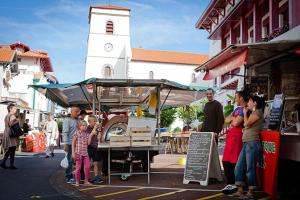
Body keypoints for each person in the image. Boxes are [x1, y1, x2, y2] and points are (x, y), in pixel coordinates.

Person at [233, 95, 265, 199]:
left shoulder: (257, 112)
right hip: (247, 142)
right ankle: (240, 190)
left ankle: (251, 191)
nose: (248, 103)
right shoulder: (254, 113)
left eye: (250, 101)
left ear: (255, 103)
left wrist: (245, 113)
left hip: (252, 143)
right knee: (239, 166)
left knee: (250, 167)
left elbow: (246, 123)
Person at [221, 90, 249, 194]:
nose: (235, 99)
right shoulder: (237, 109)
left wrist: (233, 119)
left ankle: (236, 184)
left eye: (236, 97)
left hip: (237, 138)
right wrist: (233, 119)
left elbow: (236, 123)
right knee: (225, 161)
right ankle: (230, 183)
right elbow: (226, 120)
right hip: (230, 137)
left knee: (235, 161)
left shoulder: (245, 109)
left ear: (241, 98)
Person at [62, 105, 80, 184]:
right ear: (71, 112)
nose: (78, 113)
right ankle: (69, 177)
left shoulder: (77, 120)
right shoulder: (67, 120)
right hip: (69, 143)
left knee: (74, 160)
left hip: (77, 143)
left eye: (78, 112)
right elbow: (65, 132)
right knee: (69, 160)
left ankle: (74, 176)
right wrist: (65, 143)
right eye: (76, 112)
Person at [72, 120, 92, 186]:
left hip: (85, 153)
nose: (84, 127)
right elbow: (73, 143)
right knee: (78, 168)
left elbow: (88, 143)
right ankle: (77, 181)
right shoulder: (77, 133)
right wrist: (73, 153)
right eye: (83, 125)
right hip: (78, 153)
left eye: (85, 125)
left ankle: (86, 181)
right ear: (79, 126)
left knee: (88, 167)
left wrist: (91, 135)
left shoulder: (87, 134)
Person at [0, 103, 19, 169]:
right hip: (11, 133)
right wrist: (16, 121)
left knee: (10, 149)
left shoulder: (7, 115)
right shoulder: (12, 115)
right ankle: (11, 165)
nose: (15, 110)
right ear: (10, 109)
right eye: (14, 108)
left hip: (7, 131)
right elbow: (11, 124)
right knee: (12, 148)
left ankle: (3, 163)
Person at [87, 115, 104, 184]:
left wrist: (99, 130)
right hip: (89, 147)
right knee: (87, 164)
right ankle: (86, 177)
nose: (95, 122)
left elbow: (99, 138)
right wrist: (95, 128)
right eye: (94, 121)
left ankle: (96, 177)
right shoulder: (87, 129)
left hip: (95, 147)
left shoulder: (96, 128)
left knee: (95, 163)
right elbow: (89, 138)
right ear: (89, 122)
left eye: (95, 121)